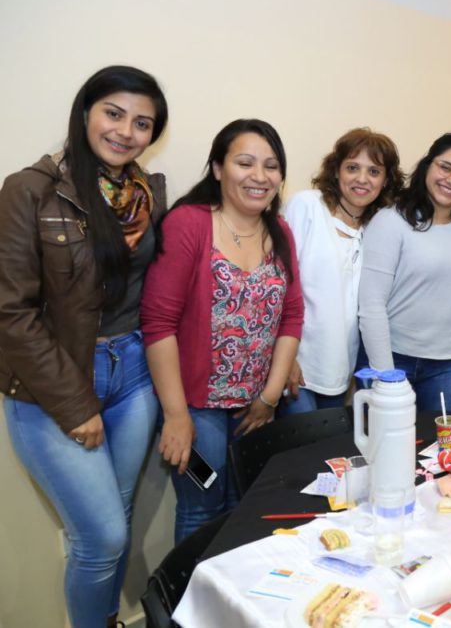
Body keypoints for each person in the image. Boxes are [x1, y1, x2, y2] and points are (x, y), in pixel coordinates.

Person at [0, 65, 168, 628]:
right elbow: (10, 313)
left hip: (135, 372)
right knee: (103, 534)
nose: (126, 131)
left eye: (142, 122)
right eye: (114, 114)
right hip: (57, 382)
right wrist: (76, 404)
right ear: (86, 112)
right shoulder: (29, 190)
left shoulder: (145, 194)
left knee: (111, 521)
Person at [141, 119, 303, 543]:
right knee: (202, 511)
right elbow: (158, 324)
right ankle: (187, 608)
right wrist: (176, 416)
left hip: (254, 408)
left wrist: (269, 398)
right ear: (217, 168)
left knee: (246, 507)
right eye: (245, 162)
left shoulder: (279, 230)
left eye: (271, 166)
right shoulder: (189, 224)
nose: (259, 176)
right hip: (198, 409)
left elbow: (291, 315)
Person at [278, 128, 402, 415]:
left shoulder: (379, 229)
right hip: (296, 365)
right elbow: (276, 284)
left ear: (385, 181)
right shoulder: (307, 206)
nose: (362, 179)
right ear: (336, 172)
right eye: (352, 167)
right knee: (302, 453)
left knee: (327, 456)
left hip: (337, 373)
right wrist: (284, 358)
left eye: (374, 171)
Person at [357, 133, 451, 411]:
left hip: (449, 362)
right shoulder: (391, 221)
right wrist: (386, 376)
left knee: (438, 450)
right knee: (385, 448)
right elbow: (370, 305)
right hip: (392, 357)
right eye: (445, 167)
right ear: (427, 166)